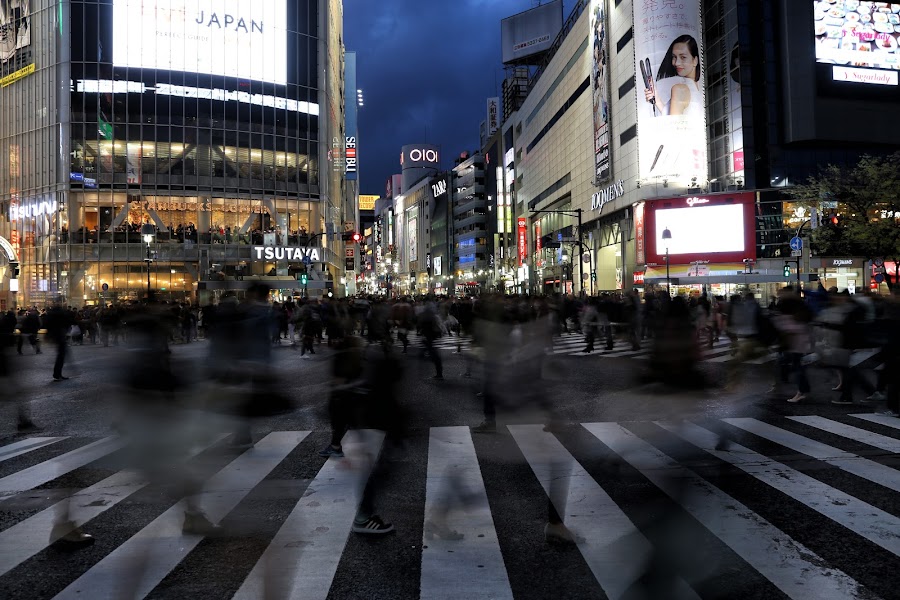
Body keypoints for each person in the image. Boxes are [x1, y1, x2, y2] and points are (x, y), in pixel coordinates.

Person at [644, 35, 703, 117]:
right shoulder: (697, 89)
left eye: (683, 57)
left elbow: (673, 125)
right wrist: (656, 99)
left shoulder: (680, 89)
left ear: (695, 60)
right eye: (674, 57)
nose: (676, 63)